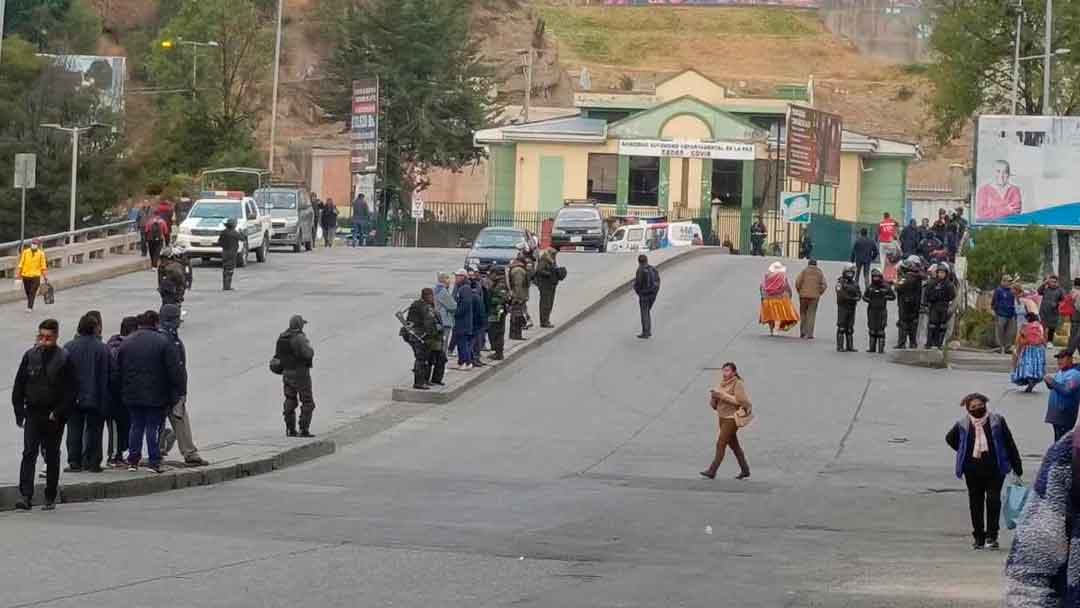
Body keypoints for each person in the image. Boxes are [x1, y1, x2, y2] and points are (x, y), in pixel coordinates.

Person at [11, 319, 78, 510]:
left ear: (56, 337)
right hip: (32, 412)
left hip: (53, 415)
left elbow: (72, 391)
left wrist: (58, 413)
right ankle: (25, 496)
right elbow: (19, 385)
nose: (44, 340)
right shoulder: (30, 356)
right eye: (41, 336)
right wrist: (19, 412)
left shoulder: (64, 359)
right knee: (29, 453)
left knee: (52, 455)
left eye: (48, 337)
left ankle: (50, 495)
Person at [946, 393, 1022, 551]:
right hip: (972, 470)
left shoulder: (997, 421)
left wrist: (1017, 465)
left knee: (993, 500)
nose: (977, 409)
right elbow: (950, 439)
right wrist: (963, 452)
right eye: (973, 407)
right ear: (968, 409)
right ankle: (979, 537)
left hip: (996, 468)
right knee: (975, 503)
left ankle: (992, 536)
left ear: (986, 404)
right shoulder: (962, 424)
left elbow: (1009, 443)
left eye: (980, 405)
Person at [114, 311, 183, 473]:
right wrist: (177, 391)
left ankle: (132, 460)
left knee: (136, 425)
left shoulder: (127, 342)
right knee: (152, 426)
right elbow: (173, 370)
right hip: (156, 393)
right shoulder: (163, 342)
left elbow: (118, 370)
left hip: (131, 394)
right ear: (155, 323)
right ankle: (154, 461)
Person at [156, 304, 207, 466]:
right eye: (178, 319)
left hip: (161, 389)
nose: (180, 322)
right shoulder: (168, 340)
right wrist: (181, 391)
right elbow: (175, 368)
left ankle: (157, 450)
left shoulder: (164, 336)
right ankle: (189, 452)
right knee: (180, 418)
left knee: (158, 422)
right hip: (170, 391)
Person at [62, 313, 110, 473]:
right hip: (96, 396)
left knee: (74, 429)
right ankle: (93, 462)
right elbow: (110, 374)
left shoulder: (69, 347)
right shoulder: (102, 348)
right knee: (94, 430)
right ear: (95, 329)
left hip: (73, 397)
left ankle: (74, 462)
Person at [700, 362, 751, 481]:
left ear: (734, 372)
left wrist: (722, 396)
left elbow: (742, 402)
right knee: (734, 446)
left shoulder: (738, 383)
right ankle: (745, 470)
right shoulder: (721, 384)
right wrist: (714, 397)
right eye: (723, 370)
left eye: (727, 370)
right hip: (722, 417)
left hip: (732, 418)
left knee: (720, 444)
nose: (725, 373)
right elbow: (714, 406)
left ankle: (712, 471)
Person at [275, 315, 316, 437]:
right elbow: (308, 354)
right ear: (300, 325)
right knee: (308, 402)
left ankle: (290, 429)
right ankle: (304, 429)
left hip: (286, 373)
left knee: (290, 399)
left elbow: (278, 355)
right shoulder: (299, 338)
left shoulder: (282, 337)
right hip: (300, 373)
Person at [105, 316, 136, 468]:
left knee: (123, 425)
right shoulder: (118, 348)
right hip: (115, 396)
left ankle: (118, 455)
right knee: (116, 426)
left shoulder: (114, 345)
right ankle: (113, 457)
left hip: (121, 395)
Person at [406, 289, 444, 389]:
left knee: (430, 358)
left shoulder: (425, 305)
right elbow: (428, 323)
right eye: (431, 296)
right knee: (421, 359)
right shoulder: (422, 306)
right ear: (426, 296)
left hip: (425, 336)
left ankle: (426, 380)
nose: (433, 298)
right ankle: (419, 383)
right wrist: (434, 332)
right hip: (420, 337)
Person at [1044, 351, 1080, 442]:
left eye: (1062, 358)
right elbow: (1054, 387)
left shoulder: (1075, 374)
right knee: (1057, 440)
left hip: (1065, 414)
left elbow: (1067, 391)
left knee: (1063, 441)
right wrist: (1048, 383)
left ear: (1070, 359)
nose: (1059, 361)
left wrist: (1052, 382)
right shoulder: (1060, 372)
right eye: (1058, 358)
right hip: (1055, 415)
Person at [759, 261, 799, 336]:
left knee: (770, 316)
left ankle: (771, 330)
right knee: (778, 315)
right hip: (779, 298)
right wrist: (790, 294)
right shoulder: (782, 276)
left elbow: (762, 285)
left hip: (768, 298)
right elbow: (786, 286)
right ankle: (776, 330)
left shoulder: (767, 276)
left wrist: (762, 296)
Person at [862, 268, 897, 354]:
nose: (876, 279)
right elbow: (864, 296)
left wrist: (885, 297)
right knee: (872, 330)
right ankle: (872, 348)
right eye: (874, 277)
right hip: (871, 310)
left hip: (882, 310)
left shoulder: (886, 287)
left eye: (877, 277)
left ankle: (881, 349)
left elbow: (893, 297)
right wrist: (869, 300)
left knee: (881, 331)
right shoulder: (870, 287)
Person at [893, 256, 925, 349]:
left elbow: (898, 287)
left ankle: (902, 343)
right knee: (913, 323)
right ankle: (913, 343)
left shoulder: (906, 278)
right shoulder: (918, 277)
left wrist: (896, 283)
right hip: (915, 303)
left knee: (903, 323)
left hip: (905, 303)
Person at [1012, 312, 1048, 392]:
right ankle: (1033, 380)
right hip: (1038, 349)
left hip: (1028, 348)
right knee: (1036, 366)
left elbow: (1020, 338)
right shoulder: (1040, 326)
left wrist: (1017, 349)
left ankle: (1029, 380)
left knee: (1027, 365)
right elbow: (1044, 339)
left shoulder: (1025, 326)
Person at [925, 263, 957, 349]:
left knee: (942, 326)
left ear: (946, 273)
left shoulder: (949, 284)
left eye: (943, 273)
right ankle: (929, 343)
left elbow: (952, 296)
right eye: (939, 272)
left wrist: (944, 298)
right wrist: (932, 298)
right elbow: (927, 294)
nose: (941, 274)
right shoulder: (932, 283)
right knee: (932, 325)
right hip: (934, 306)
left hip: (944, 307)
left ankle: (939, 344)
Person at [794, 259, 826, 340]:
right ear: (816, 264)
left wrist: (800, 291)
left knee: (803, 313)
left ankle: (803, 332)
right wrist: (819, 292)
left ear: (808, 264)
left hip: (803, 296)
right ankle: (809, 334)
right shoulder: (820, 273)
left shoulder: (804, 271)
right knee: (811, 314)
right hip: (814, 297)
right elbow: (824, 285)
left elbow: (798, 282)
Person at [15, 239, 48, 313]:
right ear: (31, 244)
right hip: (26, 275)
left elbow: (43, 266)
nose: (34, 245)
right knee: (28, 291)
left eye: (35, 244)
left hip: (36, 276)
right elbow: (21, 263)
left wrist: (45, 276)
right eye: (33, 243)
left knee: (32, 291)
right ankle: (30, 301)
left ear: (38, 245)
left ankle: (29, 307)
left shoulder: (41, 254)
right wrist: (18, 273)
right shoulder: (26, 252)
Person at [534, 248, 563, 328]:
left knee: (550, 303)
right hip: (545, 285)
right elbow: (540, 270)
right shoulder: (544, 260)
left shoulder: (552, 260)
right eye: (554, 254)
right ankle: (544, 321)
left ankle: (547, 320)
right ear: (550, 253)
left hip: (551, 284)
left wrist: (558, 272)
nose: (555, 256)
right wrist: (550, 273)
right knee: (545, 303)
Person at [451, 270, 475, 370]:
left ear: (463, 277)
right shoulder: (461, 288)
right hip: (461, 321)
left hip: (463, 321)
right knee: (461, 342)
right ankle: (461, 362)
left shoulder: (465, 289)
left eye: (457, 276)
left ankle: (467, 362)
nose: (456, 278)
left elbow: (465, 304)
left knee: (463, 342)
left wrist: (456, 313)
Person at [633, 254, 661, 339]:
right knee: (647, 312)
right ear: (647, 260)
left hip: (644, 295)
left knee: (644, 313)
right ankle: (647, 331)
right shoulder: (653, 269)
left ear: (639, 262)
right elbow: (658, 281)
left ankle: (646, 332)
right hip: (652, 295)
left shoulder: (640, 270)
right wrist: (654, 293)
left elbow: (638, 283)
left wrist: (638, 292)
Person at [836, 264, 861, 353]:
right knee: (841, 327)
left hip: (852, 307)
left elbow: (859, 293)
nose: (850, 274)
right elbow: (841, 295)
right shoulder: (840, 282)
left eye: (851, 273)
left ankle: (850, 346)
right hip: (843, 307)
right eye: (848, 272)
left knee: (850, 328)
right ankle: (840, 346)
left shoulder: (854, 283)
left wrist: (857, 298)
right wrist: (852, 299)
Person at [992, 276, 1019, 354]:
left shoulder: (1012, 291)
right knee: (999, 331)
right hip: (1001, 314)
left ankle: (1008, 347)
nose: (1009, 283)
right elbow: (994, 302)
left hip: (1011, 314)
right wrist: (995, 311)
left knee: (1010, 332)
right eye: (1008, 281)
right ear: (1003, 281)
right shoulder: (998, 290)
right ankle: (999, 347)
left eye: (1010, 281)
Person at [486, 272, 509, 360]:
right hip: (495, 311)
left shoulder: (501, 285)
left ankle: (498, 353)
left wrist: (492, 300)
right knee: (493, 331)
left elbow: (503, 298)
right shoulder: (496, 284)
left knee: (496, 331)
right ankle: (497, 351)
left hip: (498, 312)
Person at [1039, 275, 1067, 345]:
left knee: (1052, 327)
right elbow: (1039, 291)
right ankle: (1041, 341)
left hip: (1054, 312)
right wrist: (1044, 283)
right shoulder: (1046, 289)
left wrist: (1057, 304)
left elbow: (1064, 300)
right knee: (1042, 327)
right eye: (1051, 282)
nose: (1052, 283)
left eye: (1054, 282)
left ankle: (1049, 342)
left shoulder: (1060, 290)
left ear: (1057, 282)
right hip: (1044, 311)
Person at [469, 268, 488, 367]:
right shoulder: (474, 295)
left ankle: (475, 357)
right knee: (475, 341)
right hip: (476, 321)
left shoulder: (480, 287)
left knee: (477, 341)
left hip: (477, 320)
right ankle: (474, 358)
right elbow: (479, 308)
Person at [508, 256, 530, 341]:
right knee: (517, 316)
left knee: (515, 316)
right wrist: (518, 298)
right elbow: (518, 286)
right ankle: (516, 335)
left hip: (516, 296)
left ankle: (514, 334)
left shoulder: (517, 268)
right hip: (518, 298)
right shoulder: (519, 270)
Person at [434, 272, 457, 354]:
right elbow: (453, 306)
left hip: (437, 319)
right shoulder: (443, 291)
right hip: (444, 320)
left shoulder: (435, 289)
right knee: (444, 341)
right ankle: (442, 358)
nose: (450, 282)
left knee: (438, 341)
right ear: (445, 280)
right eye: (448, 279)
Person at [217, 217, 242, 291]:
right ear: (234, 225)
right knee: (230, 269)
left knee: (225, 268)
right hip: (232, 253)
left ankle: (225, 285)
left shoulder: (223, 232)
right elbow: (242, 238)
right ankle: (227, 286)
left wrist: (224, 246)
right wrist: (242, 232)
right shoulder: (235, 233)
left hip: (224, 252)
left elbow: (219, 242)